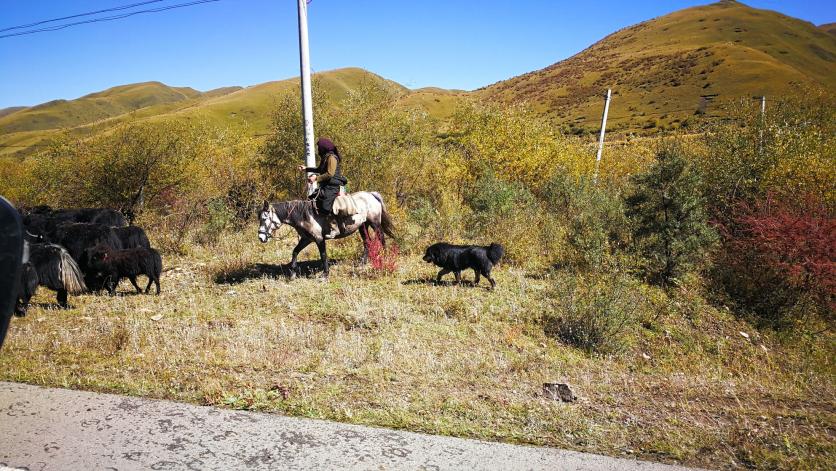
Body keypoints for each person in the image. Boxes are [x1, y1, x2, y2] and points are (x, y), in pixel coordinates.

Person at [297, 138, 348, 237]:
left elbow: (330, 174)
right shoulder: (325, 157)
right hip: (326, 186)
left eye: (318, 147)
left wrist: (316, 178)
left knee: (325, 206)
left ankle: (333, 227)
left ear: (323, 147)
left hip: (333, 186)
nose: (318, 149)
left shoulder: (332, 158)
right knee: (311, 200)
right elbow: (320, 169)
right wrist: (306, 168)